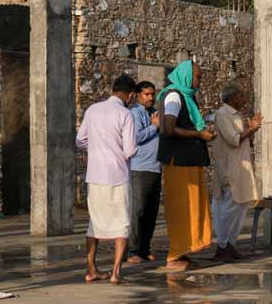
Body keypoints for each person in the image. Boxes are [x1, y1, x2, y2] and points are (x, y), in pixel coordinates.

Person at [76, 74, 138, 284]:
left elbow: (80, 140)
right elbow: (130, 150)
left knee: (95, 223)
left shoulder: (92, 110)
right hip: (118, 175)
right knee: (121, 223)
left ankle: (91, 269)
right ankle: (115, 273)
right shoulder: (125, 114)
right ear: (130, 95)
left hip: (95, 175)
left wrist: (95, 149)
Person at [157, 60, 216, 271]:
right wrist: (200, 134)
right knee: (182, 207)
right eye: (197, 77)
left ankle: (185, 250)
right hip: (179, 160)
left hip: (189, 160)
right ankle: (174, 255)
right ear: (186, 76)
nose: (199, 82)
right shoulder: (174, 96)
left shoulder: (187, 98)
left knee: (192, 206)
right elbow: (168, 128)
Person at [210, 83, 262, 262]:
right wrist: (252, 128)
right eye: (241, 96)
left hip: (242, 167)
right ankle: (222, 245)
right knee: (228, 208)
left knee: (240, 206)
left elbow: (244, 139)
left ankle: (231, 244)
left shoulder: (237, 115)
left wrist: (251, 129)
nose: (244, 99)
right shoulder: (223, 114)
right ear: (232, 98)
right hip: (229, 168)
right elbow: (234, 140)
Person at [127, 81, 162, 264]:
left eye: (152, 94)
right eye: (147, 94)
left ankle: (144, 248)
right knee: (137, 211)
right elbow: (135, 137)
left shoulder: (153, 113)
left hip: (155, 167)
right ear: (138, 95)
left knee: (151, 212)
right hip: (140, 168)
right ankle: (133, 251)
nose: (150, 97)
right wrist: (154, 126)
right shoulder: (135, 113)